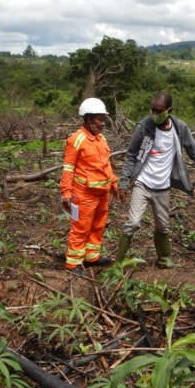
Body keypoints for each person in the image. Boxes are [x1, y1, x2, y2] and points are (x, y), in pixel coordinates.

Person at [116, 92, 195, 268]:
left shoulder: (180, 129)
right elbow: (131, 155)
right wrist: (124, 182)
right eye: (153, 110)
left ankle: (164, 260)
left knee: (163, 227)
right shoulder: (144, 126)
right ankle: (118, 263)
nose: (155, 114)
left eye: (159, 111)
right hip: (142, 182)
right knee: (133, 223)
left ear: (169, 110)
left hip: (163, 186)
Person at [60, 98, 121, 275]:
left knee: (98, 225)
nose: (103, 124)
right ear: (88, 119)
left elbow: (106, 165)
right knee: (81, 227)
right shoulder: (76, 140)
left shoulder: (101, 139)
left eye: (104, 120)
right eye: (100, 120)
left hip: (102, 193)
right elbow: (68, 169)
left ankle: (91, 256)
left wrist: (114, 184)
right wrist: (66, 193)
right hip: (83, 193)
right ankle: (73, 263)